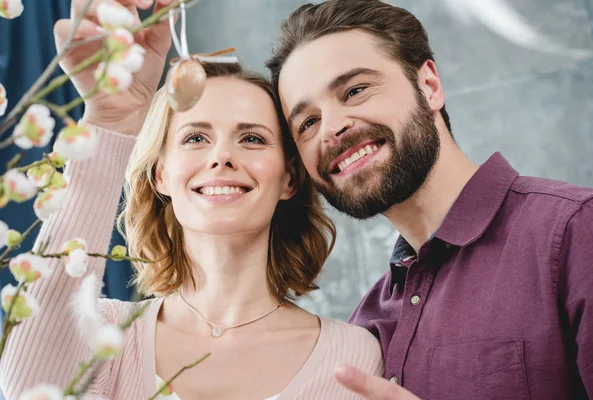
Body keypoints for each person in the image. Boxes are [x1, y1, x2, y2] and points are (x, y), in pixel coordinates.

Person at [0, 1, 384, 399]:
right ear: (161, 175)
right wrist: (108, 122)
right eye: (195, 138)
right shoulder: (106, 332)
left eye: (252, 138)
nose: (222, 156)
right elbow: (31, 388)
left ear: (289, 178)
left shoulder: (353, 356)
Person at [264, 0, 593, 399]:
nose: (332, 129)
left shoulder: (580, 231)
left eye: (354, 91)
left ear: (429, 85)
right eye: (308, 123)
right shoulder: (367, 324)